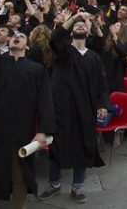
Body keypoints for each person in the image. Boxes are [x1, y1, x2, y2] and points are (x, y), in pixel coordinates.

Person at [0, 3, 55, 209]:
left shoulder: (36, 70)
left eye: (22, 37)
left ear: (27, 46)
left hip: (20, 131)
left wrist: (44, 132)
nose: (17, 37)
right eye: (14, 36)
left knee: (20, 177)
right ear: (8, 43)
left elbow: (45, 102)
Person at [38, 12, 112, 204]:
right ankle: (54, 184)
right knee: (56, 145)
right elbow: (55, 37)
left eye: (82, 25)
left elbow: (102, 84)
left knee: (84, 145)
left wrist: (104, 104)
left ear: (88, 32)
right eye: (76, 26)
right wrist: (75, 17)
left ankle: (77, 186)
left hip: (85, 108)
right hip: (61, 107)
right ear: (71, 32)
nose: (79, 26)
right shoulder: (63, 52)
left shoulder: (94, 58)